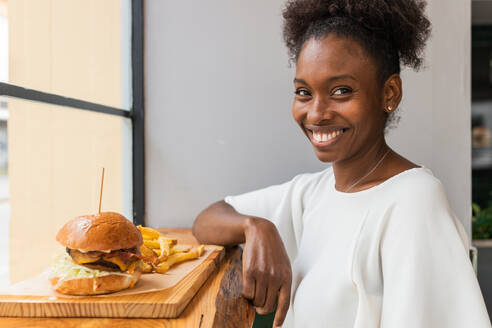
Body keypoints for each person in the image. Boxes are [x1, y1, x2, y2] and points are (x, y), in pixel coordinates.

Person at [192, 0, 492, 327]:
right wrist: (255, 227)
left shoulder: (414, 202)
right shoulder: (313, 193)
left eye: (341, 91)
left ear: (389, 93)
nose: (317, 113)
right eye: (304, 92)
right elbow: (207, 220)